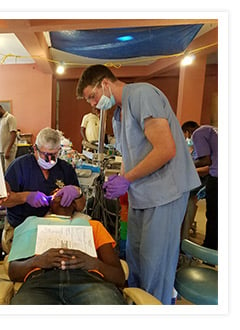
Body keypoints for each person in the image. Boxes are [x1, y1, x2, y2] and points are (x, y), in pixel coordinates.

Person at [76, 64, 201, 305]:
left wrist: (127, 179)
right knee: (135, 261)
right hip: (141, 195)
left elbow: (166, 149)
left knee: (155, 266)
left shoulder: (142, 94)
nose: (92, 104)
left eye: (92, 96)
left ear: (105, 83)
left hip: (165, 192)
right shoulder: (118, 115)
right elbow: (129, 156)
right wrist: (119, 179)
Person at [7, 191, 126, 305]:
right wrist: (37, 261)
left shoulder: (94, 226)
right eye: (57, 193)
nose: (62, 196)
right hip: (40, 283)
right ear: (49, 204)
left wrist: (93, 263)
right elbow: (13, 272)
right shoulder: (31, 224)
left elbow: (119, 277)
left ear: (75, 205)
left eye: (68, 195)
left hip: (89, 281)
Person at [0, 127, 86, 253]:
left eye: (54, 155)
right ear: (35, 149)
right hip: (22, 227)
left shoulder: (65, 169)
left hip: (56, 228)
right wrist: (26, 197)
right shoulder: (19, 167)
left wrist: (77, 192)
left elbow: (80, 206)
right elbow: (1, 200)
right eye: (46, 155)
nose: (50, 160)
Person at [181, 121, 218, 250]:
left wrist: (186, 167)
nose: (187, 139)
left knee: (213, 215)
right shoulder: (211, 130)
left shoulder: (198, 133)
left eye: (186, 135)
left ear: (187, 132)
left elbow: (206, 161)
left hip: (215, 177)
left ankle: (209, 249)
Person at [0, 103, 18, 171]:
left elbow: (13, 134)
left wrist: (8, 150)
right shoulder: (1, 120)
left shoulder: (10, 118)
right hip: (1, 150)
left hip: (8, 150)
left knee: (8, 171)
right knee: (1, 171)